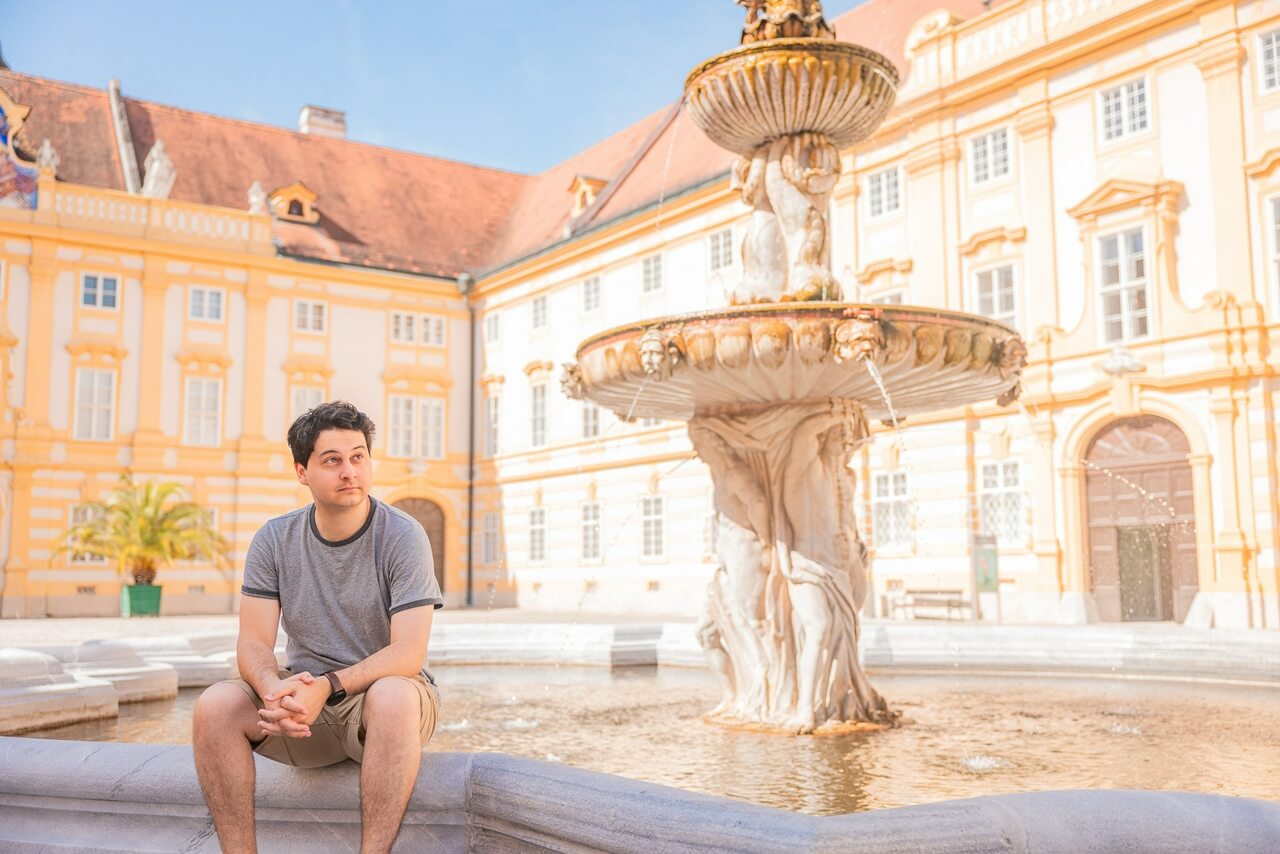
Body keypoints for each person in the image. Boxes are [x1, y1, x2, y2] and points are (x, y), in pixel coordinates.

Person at [192, 400, 443, 854]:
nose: (350, 471)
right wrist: (273, 689)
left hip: (381, 700)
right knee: (215, 706)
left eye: (358, 457)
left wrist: (327, 686)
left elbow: (409, 653)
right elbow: (252, 641)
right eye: (332, 461)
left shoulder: (403, 535)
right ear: (302, 472)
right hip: (304, 702)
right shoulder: (274, 538)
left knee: (391, 694)